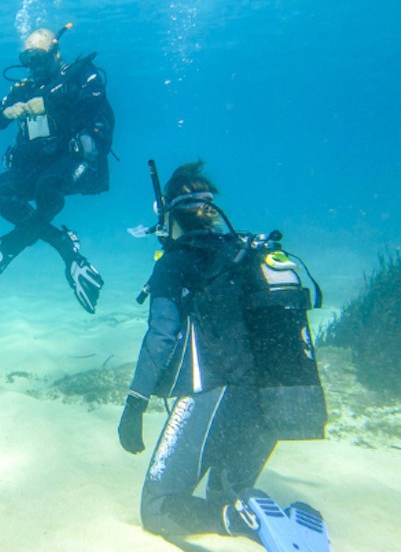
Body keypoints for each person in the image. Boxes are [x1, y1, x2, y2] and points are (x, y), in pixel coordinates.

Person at [117, 161, 330, 550]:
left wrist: (135, 403)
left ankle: (245, 521)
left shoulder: (176, 261)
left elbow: (161, 335)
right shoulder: (244, 252)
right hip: (273, 396)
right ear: (211, 211)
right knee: (225, 496)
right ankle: (267, 521)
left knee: (159, 509)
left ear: (168, 213)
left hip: (216, 394)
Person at [0, 25, 115, 314]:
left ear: (55, 52)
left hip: (70, 163)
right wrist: (6, 111)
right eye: (28, 60)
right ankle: (63, 244)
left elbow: (92, 107)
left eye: (39, 58)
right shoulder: (24, 88)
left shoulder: (81, 75)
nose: (34, 67)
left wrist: (48, 104)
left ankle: (9, 246)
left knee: (48, 187)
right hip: (34, 166)